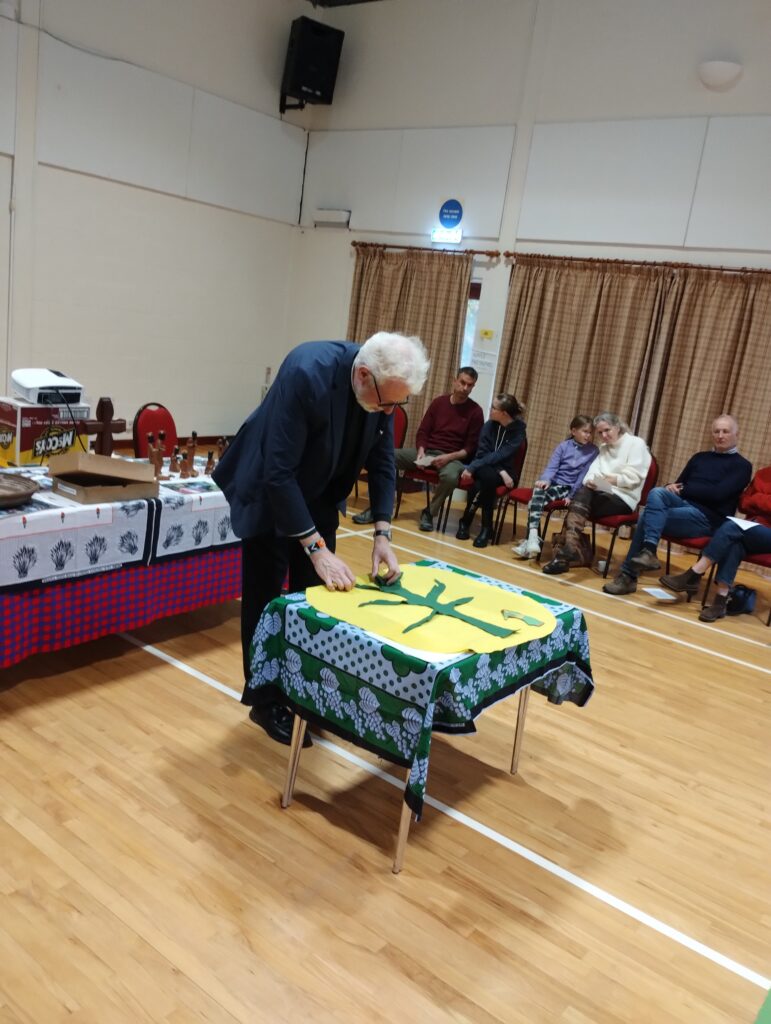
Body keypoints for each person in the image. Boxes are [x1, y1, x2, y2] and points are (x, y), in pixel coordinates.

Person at [213, 332, 430, 745]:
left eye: (397, 405)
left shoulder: (382, 390)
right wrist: (317, 550)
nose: (389, 412)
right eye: (388, 403)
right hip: (270, 488)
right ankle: (264, 698)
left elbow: (382, 459)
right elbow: (278, 472)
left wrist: (383, 532)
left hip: (318, 491)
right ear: (364, 375)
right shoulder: (306, 372)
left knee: (314, 597)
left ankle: (302, 690)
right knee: (265, 598)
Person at [603, 414, 752, 595]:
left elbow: (717, 495)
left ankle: (628, 576)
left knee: (646, 516)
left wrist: (685, 489)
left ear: (737, 435)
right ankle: (649, 551)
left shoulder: (742, 466)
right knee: (658, 491)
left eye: (726, 431)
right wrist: (671, 487)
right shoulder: (699, 457)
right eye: (716, 431)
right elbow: (678, 484)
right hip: (682, 506)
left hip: (707, 519)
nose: (720, 435)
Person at [542, 412, 651, 575]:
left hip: (624, 498)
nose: (603, 436)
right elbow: (591, 473)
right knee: (583, 493)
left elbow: (634, 477)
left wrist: (611, 480)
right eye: (599, 433)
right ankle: (569, 550)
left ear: (617, 427)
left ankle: (566, 553)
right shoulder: (604, 449)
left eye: (607, 430)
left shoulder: (636, 444)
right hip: (600, 494)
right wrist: (592, 481)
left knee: (577, 503)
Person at [659, 464, 771, 621]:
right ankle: (720, 602)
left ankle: (695, 573)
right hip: (752, 529)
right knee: (734, 542)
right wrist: (760, 501)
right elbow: (743, 503)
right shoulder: (763, 473)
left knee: (732, 526)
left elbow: (755, 502)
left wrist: (757, 499)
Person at [512, 415, 598, 560]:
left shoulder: (593, 451)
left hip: (567, 487)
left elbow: (583, 476)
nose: (588, 436)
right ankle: (532, 539)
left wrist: (571, 495)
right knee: (537, 494)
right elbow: (552, 467)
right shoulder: (563, 446)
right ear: (573, 431)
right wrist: (545, 480)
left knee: (534, 501)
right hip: (554, 483)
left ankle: (531, 541)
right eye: (585, 432)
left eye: (590, 433)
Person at [454, 393, 526, 548]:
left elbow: (501, 455)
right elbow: (482, 453)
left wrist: (498, 471)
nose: (490, 409)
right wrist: (501, 472)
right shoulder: (489, 425)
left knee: (483, 482)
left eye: (494, 407)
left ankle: (466, 520)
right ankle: (486, 528)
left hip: (505, 470)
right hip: (488, 468)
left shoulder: (519, 432)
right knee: (488, 478)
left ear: (504, 413)